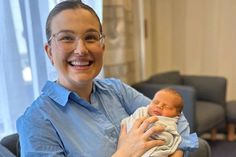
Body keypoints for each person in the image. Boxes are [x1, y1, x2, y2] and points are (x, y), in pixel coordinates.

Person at [16, 1, 198, 157]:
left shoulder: (116, 90)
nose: (81, 49)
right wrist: (124, 153)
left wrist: (177, 151)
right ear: (49, 51)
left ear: (102, 47)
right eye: (66, 38)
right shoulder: (36, 121)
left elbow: (176, 119)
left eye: (90, 37)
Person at [122, 88, 186, 157]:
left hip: (157, 150)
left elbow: (169, 138)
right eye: (155, 102)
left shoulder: (171, 121)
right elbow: (128, 124)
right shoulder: (142, 111)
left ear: (177, 114)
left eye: (167, 106)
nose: (159, 106)